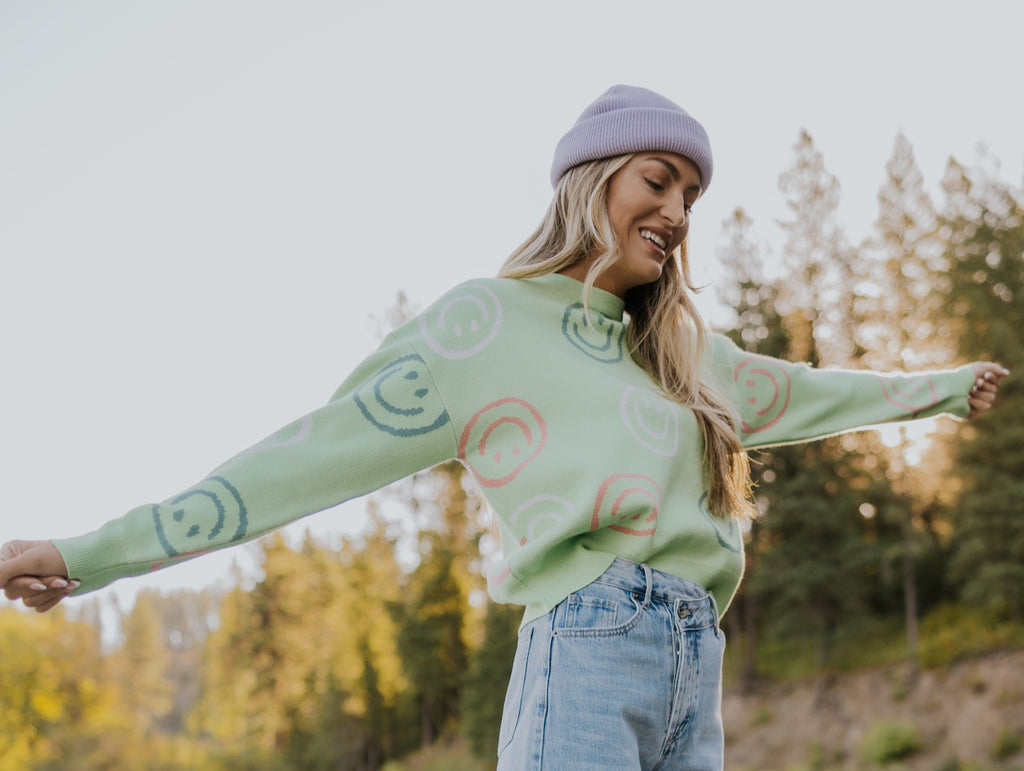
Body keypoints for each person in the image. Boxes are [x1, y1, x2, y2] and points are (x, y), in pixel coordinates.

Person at [0, 85, 1009, 770]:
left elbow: (805, 393)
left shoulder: (674, 354)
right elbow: (302, 461)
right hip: (586, 642)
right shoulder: (481, 330)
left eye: (692, 193)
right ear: (592, 180)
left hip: (693, 658)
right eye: (658, 179)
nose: (678, 209)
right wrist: (91, 555)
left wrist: (939, 385)